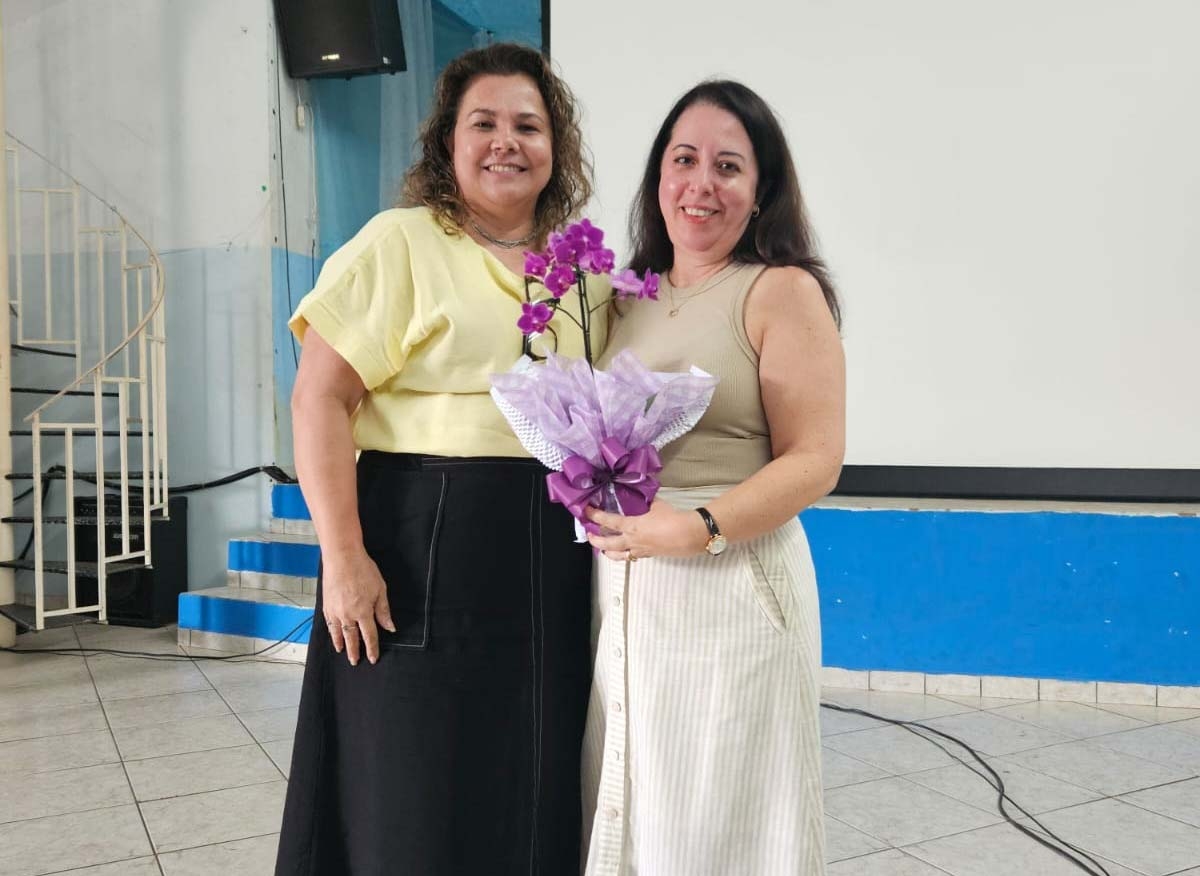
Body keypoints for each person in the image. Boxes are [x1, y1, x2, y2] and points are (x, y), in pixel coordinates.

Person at [275, 43, 605, 875]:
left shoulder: (579, 269)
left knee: (532, 773)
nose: (507, 142)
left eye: (529, 125)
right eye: (483, 123)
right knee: (412, 778)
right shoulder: (401, 243)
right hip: (419, 541)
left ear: (556, 147)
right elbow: (319, 400)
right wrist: (342, 558)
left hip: (550, 558)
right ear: (447, 143)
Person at [582, 80, 845, 875]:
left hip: (730, 583)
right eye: (684, 159)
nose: (701, 183)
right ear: (658, 175)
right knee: (635, 814)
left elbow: (816, 458)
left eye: (728, 167)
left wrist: (699, 529)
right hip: (626, 593)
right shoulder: (624, 298)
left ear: (761, 191)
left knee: (724, 826)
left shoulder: (779, 290)